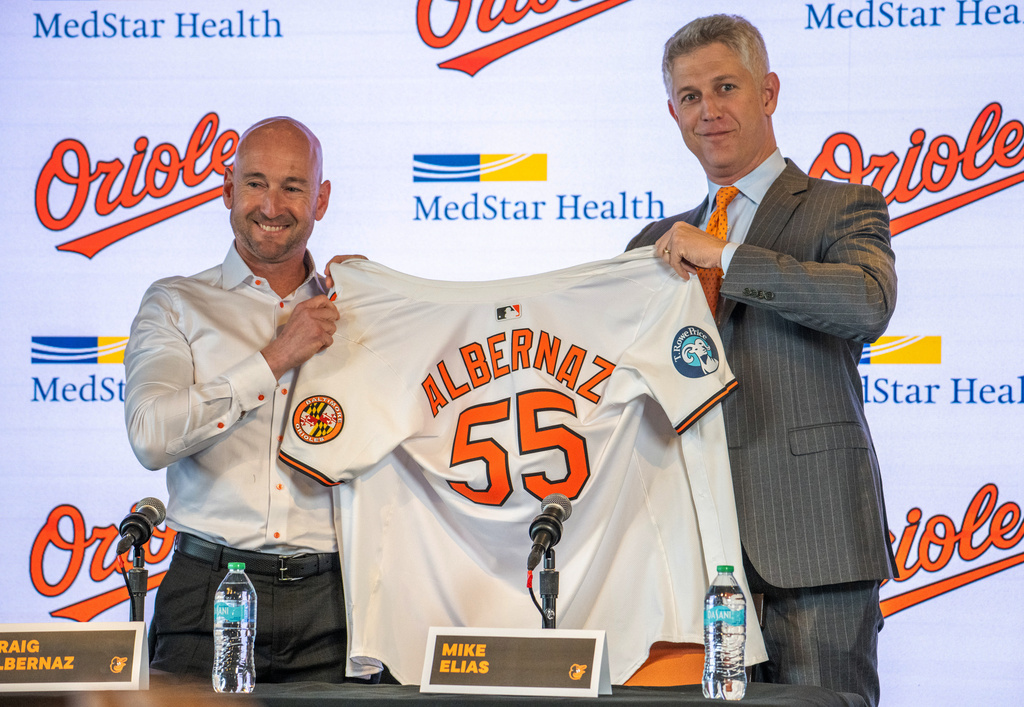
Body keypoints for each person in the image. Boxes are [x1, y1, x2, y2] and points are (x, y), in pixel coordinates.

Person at [626, 15, 897, 706]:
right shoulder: (648, 245)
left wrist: (728, 258)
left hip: (814, 542)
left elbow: (867, 302)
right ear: (671, 113)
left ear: (768, 91)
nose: (708, 110)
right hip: (689, 553)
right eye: (690, 96)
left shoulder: (842, 207)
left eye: (725, 87)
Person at [124, 116, 378, 683]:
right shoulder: (176, 302)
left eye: (293, 186)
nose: (271, 204)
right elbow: (150, 435)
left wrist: (376, 306)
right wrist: (275, 357)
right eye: (256, 182)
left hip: (335, 600)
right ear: (227, 190)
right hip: (205, 591)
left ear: (322, 198)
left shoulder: (358, 308)